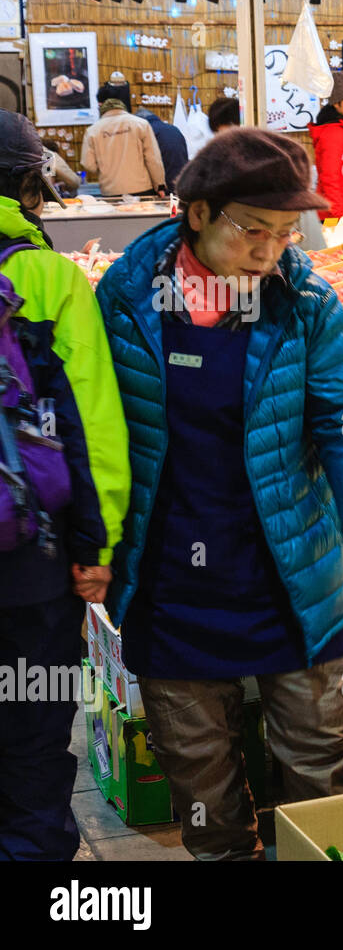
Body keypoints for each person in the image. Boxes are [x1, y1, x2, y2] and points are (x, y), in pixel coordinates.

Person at [94, 127, 343, 861]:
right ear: (195, 214)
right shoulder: (130, 299)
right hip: (172, 584)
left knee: (321, 776)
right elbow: (98, 430)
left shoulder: (306, 301)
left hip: (291, 576)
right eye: (252, 230)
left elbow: (342, 416)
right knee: (203, 794)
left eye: (286, 233)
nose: (270, 252)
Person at [0, 110, 130, 860]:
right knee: (33, 725)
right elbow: (91, 425)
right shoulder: (46, 276)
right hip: (28, 561)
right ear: (26, 184)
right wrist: (95, 546)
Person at [80, 99, 167, 198]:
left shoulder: (92, 131)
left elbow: (88, 164)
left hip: (111, 191)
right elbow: (153, 159)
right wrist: (159, 185)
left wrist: (105, 170)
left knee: (116, 214)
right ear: (123, 109)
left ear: (102, 112)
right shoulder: (141, 124)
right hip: (142, 188)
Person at [308, 73, 343, 220]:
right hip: (336, 214)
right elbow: (330, 177)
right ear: (336, 103)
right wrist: (338, 213)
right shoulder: (334, 133)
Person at [137, 109, 190, 193]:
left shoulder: (147, 131)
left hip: (164, 184)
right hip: (182, 180)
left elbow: (151, 161)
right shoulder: (173, 128)